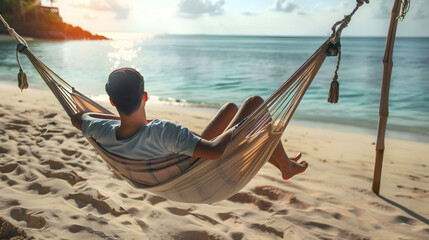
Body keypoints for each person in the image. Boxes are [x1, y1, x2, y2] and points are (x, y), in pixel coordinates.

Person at [71, 68, 307, 183]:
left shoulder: (101, 130)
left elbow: (78, 117)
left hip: (181, 162)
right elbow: (215, 152)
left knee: (230, 109)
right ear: (145, 96)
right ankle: (285, 166)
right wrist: (243, 126)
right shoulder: (162, 131)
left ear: (111, 101)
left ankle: (281, 162)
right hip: (200, 166)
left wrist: (120, 120)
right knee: (255, 104)